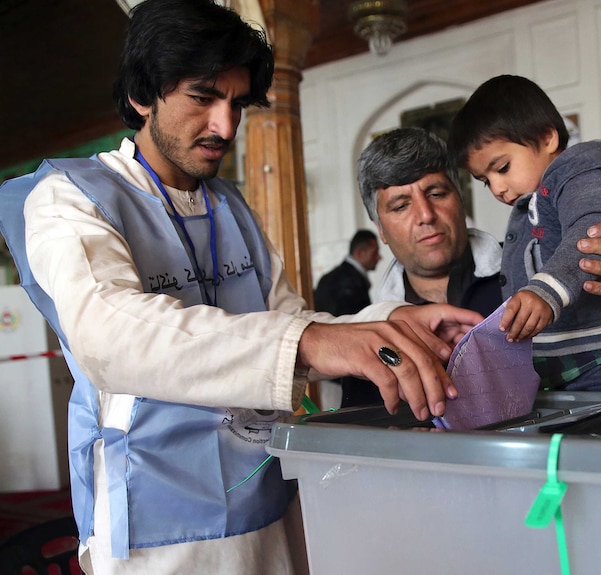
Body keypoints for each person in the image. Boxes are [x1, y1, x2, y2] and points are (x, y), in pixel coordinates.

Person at [0, 1, 481, 573]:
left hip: (264, 495)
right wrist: (313, 342)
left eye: (236, 103)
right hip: (160, 526)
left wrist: (382, 323)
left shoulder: (231, 206)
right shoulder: (71, 198)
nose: (225, 127)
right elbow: (109, 336)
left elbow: (286, 320)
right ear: (141, 95)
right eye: (203, 98)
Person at [357, 127, 601, 383]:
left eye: (436, 193)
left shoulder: (540, 262)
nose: (425, 215)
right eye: (401, 205)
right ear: (381, 231)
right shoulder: (372, 327)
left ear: (460, 201)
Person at [447, 74, 601, 392]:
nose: (497, 188)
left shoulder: (583, 175)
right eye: (485, 180)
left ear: (547, 138)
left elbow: (591, 233)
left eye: (501, 169)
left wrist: (544, 292)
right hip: (562, 375)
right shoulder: (535, 204)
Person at [313, 229, 384, 407]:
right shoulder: (349, 282)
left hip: (326, 370)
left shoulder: (329, 278)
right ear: (360, 253)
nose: (379, 257)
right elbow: (356, 329)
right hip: (345, 372)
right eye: (375, 252)